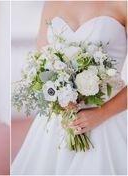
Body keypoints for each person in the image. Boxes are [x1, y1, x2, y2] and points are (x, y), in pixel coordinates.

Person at [12, 1, 127, 174]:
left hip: (110, 117)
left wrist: (100, 114)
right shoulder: (51, 3)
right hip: (61, 116)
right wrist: (61, 100)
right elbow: (41, 61)